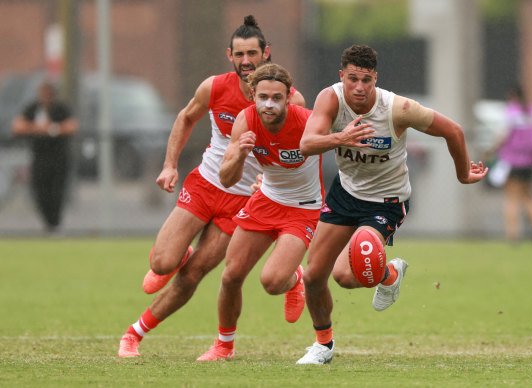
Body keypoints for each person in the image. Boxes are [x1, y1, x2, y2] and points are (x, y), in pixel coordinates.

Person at [117, 15, 305, 358]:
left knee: (193, 275)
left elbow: (297, 151)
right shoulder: (215, 87)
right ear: (229, 55)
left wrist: (272, 177)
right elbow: (186, 117)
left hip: (241, 203)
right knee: (161, 264)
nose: (245, 61)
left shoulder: (289, 100)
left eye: (252, 53)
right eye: (239, 54)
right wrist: (170, 164)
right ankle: (180, 253)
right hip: (205, 184)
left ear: (267, 54)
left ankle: (133, 334)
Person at [295, 44, 488, 364]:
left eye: (366, 80)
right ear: (342, 76)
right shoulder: (330, 99)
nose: (358, 87)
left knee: (344, 276)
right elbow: (306, 144)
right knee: (313, 276)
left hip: (385, 202)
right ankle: (323, 345)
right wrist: (340, 138)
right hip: (345, 193)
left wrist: (463, 174)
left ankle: (386, 274)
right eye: (352, 79)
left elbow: (452, 130)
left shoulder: (397, 108)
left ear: (375, 79)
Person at [196, 63, 323, 361]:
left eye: (277, 98)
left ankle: (295, 279)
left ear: (289, 97)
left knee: (272, 282)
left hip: (302, 209)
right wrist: (240, 151)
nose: (269, 104)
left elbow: (338, 152)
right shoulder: (245, 119)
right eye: (263, 96)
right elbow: (226, 179)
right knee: (231, 276)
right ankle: (224, 346)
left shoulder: (308, 121)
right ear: (253, 95)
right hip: (265, 201)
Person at [11, 80, 78, 234]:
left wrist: (52, 128)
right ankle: (48, 224)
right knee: (40, 192)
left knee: (57, 193)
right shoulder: (33, 108)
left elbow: (72, 126)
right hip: (39, 158)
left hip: (59, 158)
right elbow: (17, 126)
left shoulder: (60, 108)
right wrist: (37, 128)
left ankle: (54, 225)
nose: (45, 96)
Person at [496, 85, 532, 243]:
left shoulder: (511, 112)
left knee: (512, 198)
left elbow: (502, 136)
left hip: (513, 161)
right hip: (531, 162)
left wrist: (491, 150)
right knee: (528, 196)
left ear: (512, 97)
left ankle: (513, 235)